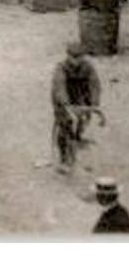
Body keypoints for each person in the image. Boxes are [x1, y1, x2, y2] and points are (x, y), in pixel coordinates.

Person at [52, 41, 102, 174]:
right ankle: (63, 157)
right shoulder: (61, 69)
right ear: (68, 56)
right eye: (74, 57)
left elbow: (94, 85)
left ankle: (77, 139)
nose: (77, 61)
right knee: (64, 126)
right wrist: (66, 105)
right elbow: (59, 88)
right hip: (64, 101)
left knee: (82, 121)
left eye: (80, 57)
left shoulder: (88, 68)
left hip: (81, 98)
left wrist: (94, 103)